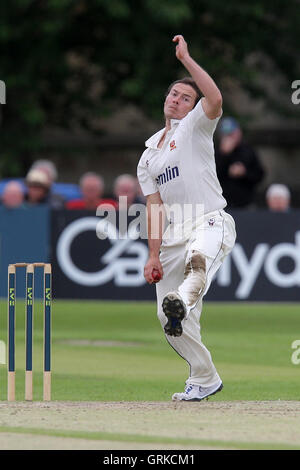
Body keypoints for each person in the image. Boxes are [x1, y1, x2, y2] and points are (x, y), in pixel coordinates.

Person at [137, 35, 236, 402]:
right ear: (165, 99)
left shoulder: (196, 125)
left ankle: (184, 297)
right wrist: (152, 255)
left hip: (210, 221)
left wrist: (187, 59)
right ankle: (205, 377)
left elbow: (215, 99)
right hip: (173, 236)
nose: (177, 100)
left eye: (185, 97)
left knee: (198, 266)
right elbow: (154, 208)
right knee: (171, 324)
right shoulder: (148, 156)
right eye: (174, 95)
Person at [215, 117, 265, 208]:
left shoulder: (248, 150)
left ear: (239, 132)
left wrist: (244, 173)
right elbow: (213, 176)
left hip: (246, 204)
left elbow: (259, 175)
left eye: (232, 134)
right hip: (222, 205)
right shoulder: (216, 152)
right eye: (226, 135)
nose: (230, 138)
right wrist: (224, 155)